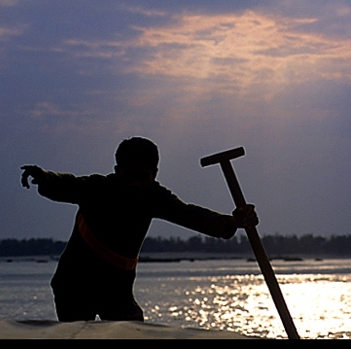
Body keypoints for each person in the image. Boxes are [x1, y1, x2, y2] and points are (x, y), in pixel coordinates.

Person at [20, 137, 258, 322]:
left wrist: (232, 222)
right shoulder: (97, 188)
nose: (135, 183)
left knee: (134, 330)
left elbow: (189, 215)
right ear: (116, 171)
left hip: (117, 292)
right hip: (74, 285)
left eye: (143, 176)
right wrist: (45, 177)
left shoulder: (154, 197)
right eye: (128, 175)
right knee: (78, 333)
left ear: (154, 174)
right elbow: (68, 184)